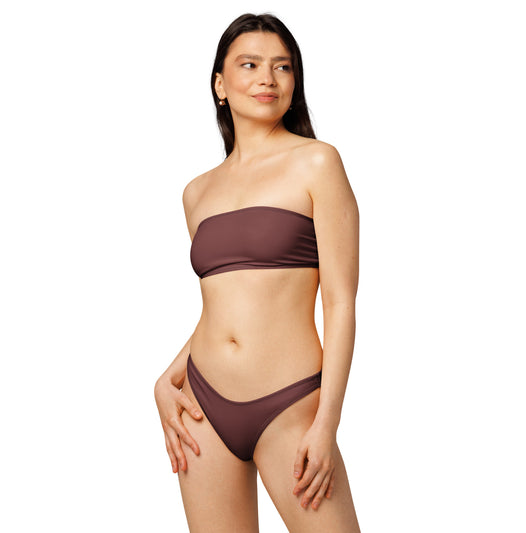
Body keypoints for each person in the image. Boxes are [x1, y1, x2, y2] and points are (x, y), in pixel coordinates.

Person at [154, 12, 361, 533]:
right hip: (202, 405)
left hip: (289, 403)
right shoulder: (197, 193)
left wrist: (327, 422)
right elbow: (228, 303)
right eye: (249, 65)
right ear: (220, 85)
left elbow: (340, 302)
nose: (267, 78)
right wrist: (168, 377)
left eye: (282, 66)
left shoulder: (318, 163)